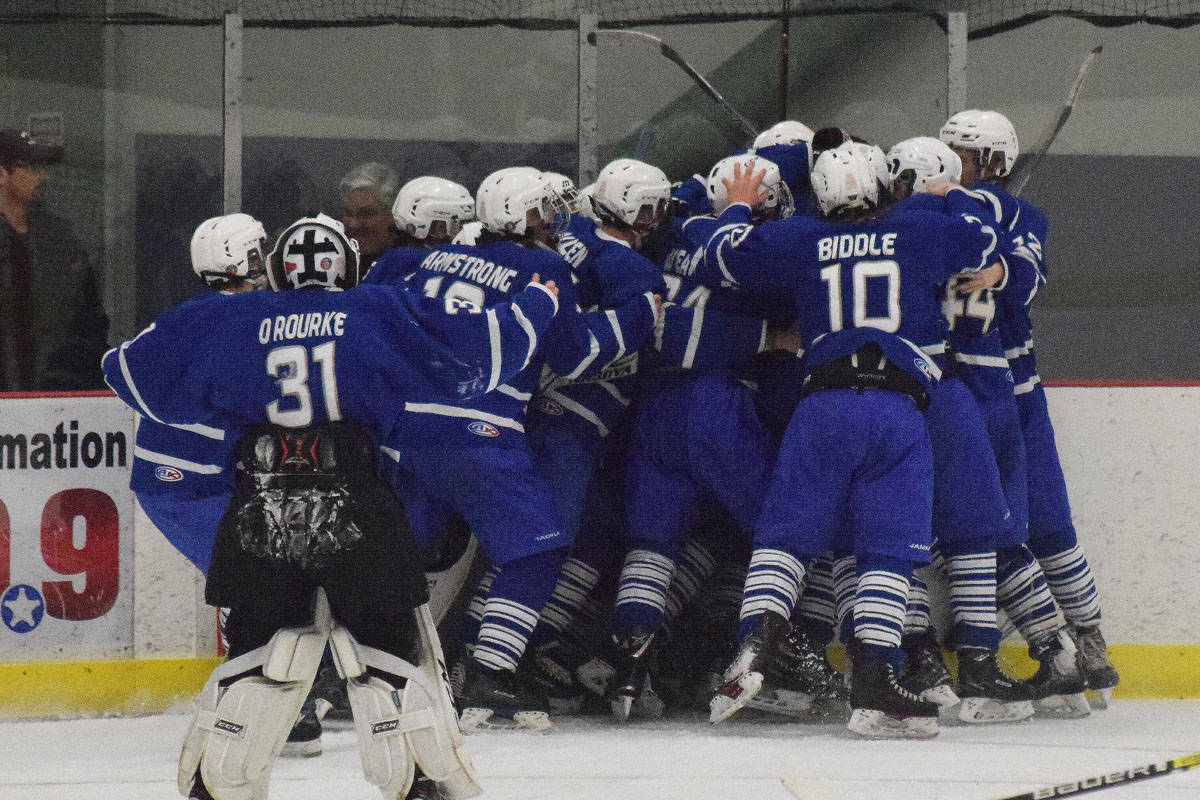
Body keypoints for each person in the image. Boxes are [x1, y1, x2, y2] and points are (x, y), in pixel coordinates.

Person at [103, 213, 561, 800]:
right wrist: (538, 304)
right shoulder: (378, 309)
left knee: (256, 662)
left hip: (260, 511)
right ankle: (419, 781)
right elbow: (487, 356)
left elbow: (126, 373)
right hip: (358, 510)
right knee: (387, 660)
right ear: (347, 265)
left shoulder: (227, 317)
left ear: (276, 269)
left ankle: (218, 785)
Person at [699, 146, 1004, 739]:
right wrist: (951, 195)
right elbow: (983, 240)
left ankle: (754, 643)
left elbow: (721, 259)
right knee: (887, 549)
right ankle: (875, 675)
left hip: (821, 407)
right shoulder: (916, 229)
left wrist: (737, 206)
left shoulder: (801, 237)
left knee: (786, 535)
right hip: (897, 410)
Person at [364, 166, 660, 730]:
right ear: (519, 215)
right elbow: (576, 355)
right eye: (540, 212)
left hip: (409, 426)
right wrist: (637, 316)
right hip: (478, 425)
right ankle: (490, 674)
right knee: (538, 550)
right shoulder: (542, 265)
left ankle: (367, 668)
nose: (549, 223)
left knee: (404, 550)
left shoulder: (433, 257)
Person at [940, 109, 1112, 712]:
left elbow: (1029, 276)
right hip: (994, 389)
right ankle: (1069, 647)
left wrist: (1000, 268)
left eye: (959, 152)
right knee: (1018, 524)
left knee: (1028, 524)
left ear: (988, 160)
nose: (948, 161)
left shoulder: (1002, 217)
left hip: (1002, 390)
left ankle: (1078, 646)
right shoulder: (968, 214)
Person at [0, 129, 108, 390]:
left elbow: (89, 315)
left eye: (44, 168)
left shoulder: (58, 237)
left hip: (57, 390)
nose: (43, 176)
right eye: (32, 168)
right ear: (2, 174)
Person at [339, 161, 402, 269]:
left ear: (392, 215)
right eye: (348, 213)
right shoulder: (337, 263)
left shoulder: (410, 265)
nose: (354, 224)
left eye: (366, 214)